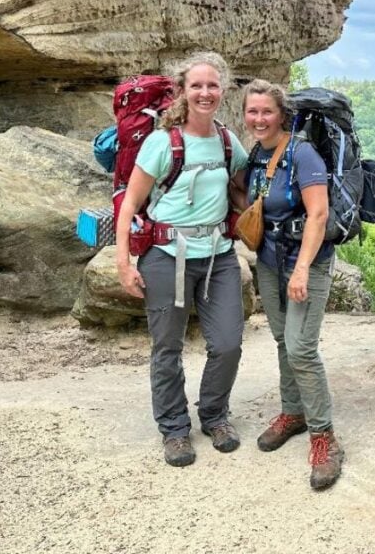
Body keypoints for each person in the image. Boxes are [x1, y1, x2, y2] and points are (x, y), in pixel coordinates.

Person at [116, 52, 249, 468]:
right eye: (197, 85)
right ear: (182, 91)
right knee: (168, 348)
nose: (205, 93)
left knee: (227, 343)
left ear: (222, 91)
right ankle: (174, 429)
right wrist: (124, 261)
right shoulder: (162, 142)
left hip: (218, 255)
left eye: (212, 86)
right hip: (165, 256)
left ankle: (214, 416)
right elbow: (130, 203)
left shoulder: (229, 141)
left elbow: (243, 189)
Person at [237, 78, 344, 491]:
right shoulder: (257, 156)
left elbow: (317, 215)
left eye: (267, 112)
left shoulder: (303, 154)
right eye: (252, 111)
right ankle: (292, 412)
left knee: (301, 347)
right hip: (269, 260)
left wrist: (301, 270)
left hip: (306, 263)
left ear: (282, 114)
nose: (259, 119)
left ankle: (324, 437)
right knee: (284, 339)